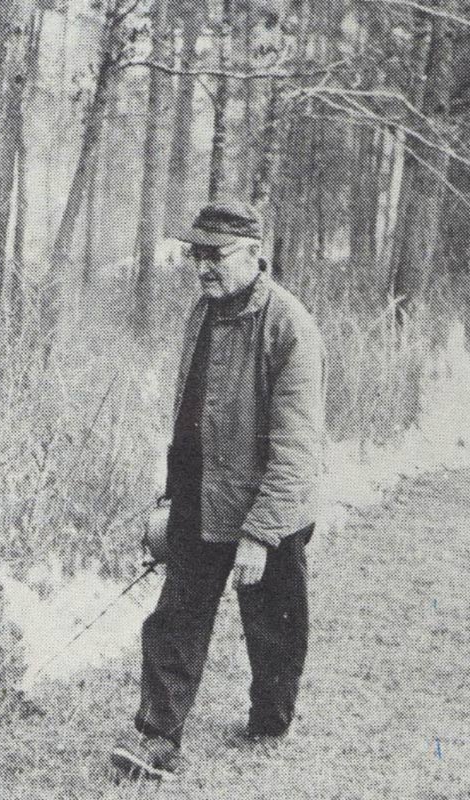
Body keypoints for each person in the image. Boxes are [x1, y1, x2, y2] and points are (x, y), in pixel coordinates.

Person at [110, 199, 326, 781]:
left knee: (276, 627)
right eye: (196, 254)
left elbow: (296, 448)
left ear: (255, 254)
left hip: (269, 510)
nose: (204, 266)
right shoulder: (201, 313)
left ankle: (271, 719)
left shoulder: (289, 325)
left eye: (217, 254)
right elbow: (191, 418)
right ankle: (159, 738)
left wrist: (260, 534)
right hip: (201, 500)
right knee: (176, 618)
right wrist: (172, 497)